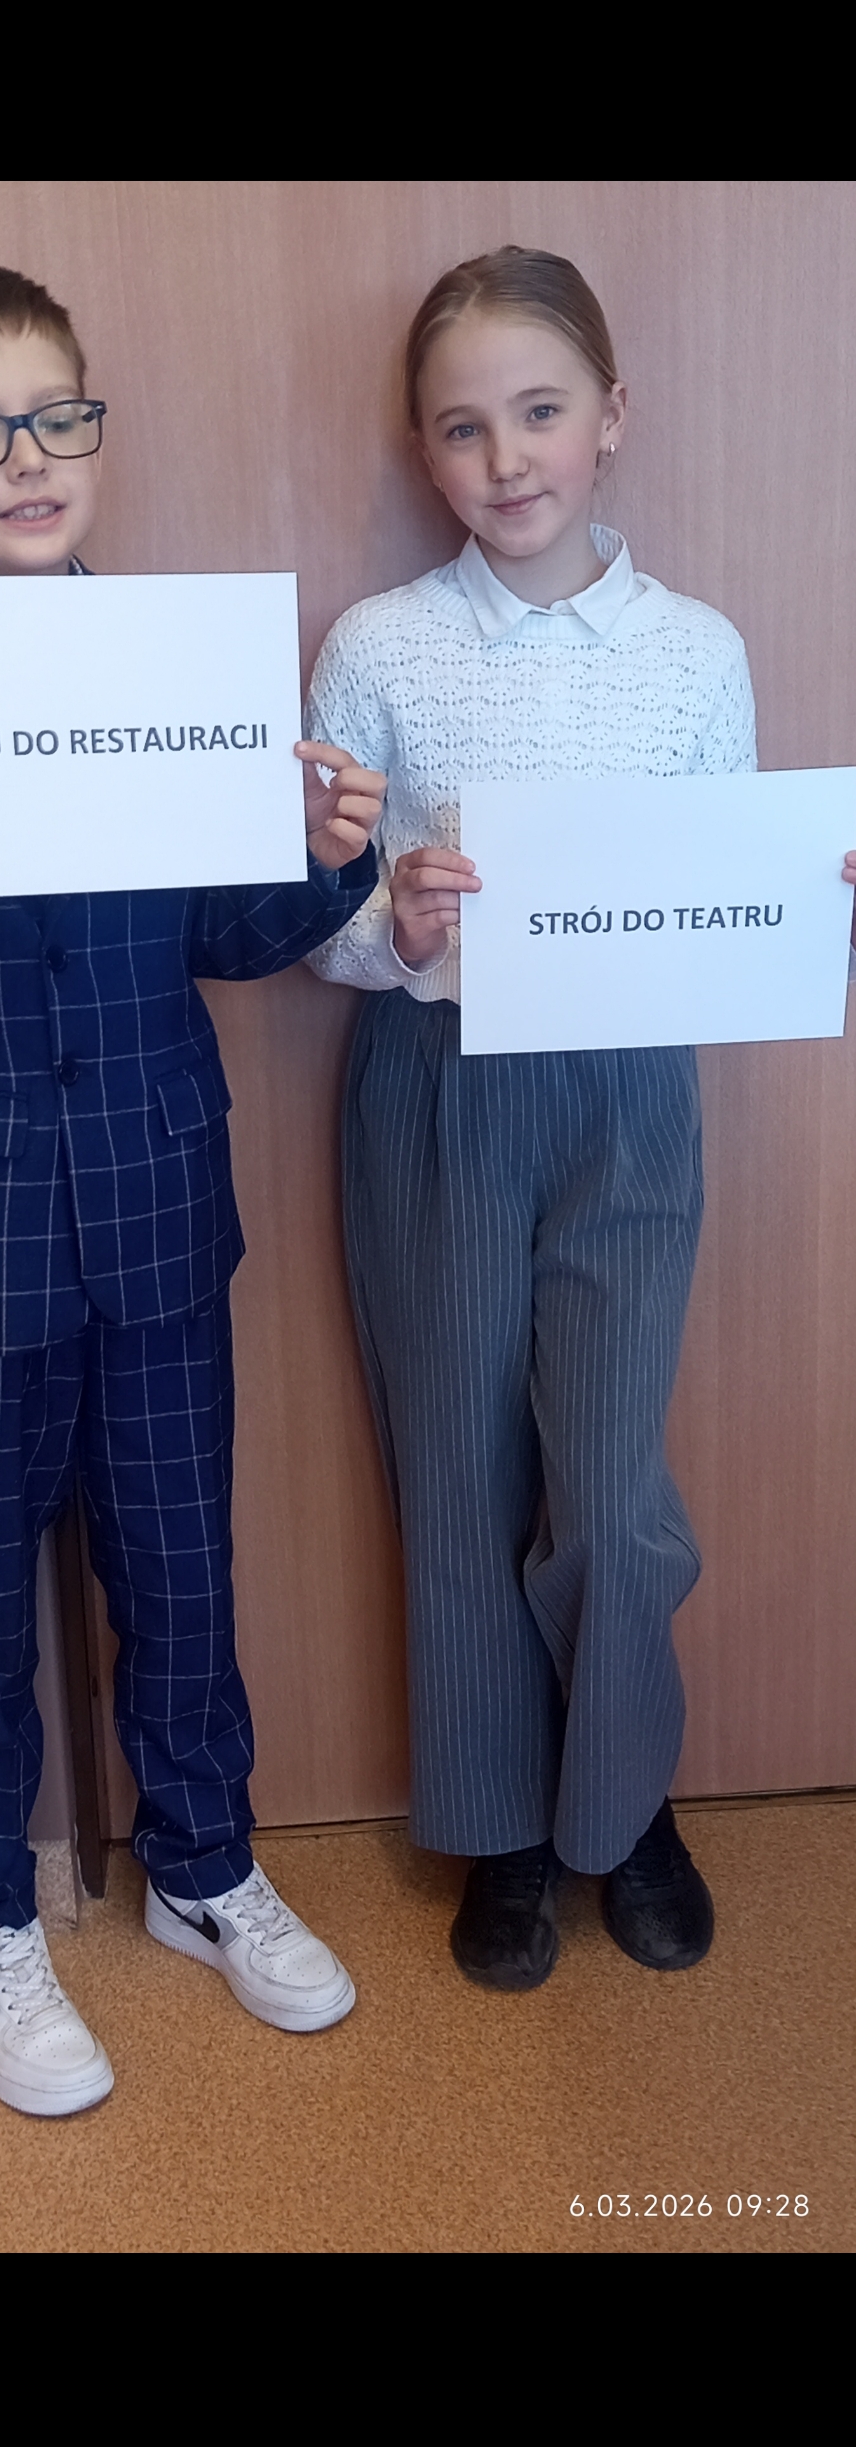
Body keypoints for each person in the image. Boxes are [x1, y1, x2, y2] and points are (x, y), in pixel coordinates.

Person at [0, 259, 383, 2114]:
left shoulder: (177, 665)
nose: (27, 458)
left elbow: (228, 932)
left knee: (183, 1573)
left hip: (158, 1212)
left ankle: (204, 1868)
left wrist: (324, 859)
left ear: (94, 432)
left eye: (57, 417)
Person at [306, 243, 856, 1991]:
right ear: (422, 448)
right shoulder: (379, 645)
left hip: (628, 1098)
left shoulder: (696, 652)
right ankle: (501, 1823)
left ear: (612, 418)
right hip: (437, 1094)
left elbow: (721, 910)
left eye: (539, 412)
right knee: (458, 1473)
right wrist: (398, 926)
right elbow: (314, 920)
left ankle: (623, 1799)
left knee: (611, 1487)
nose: (506, 457)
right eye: (462, 427)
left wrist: (805, 905)